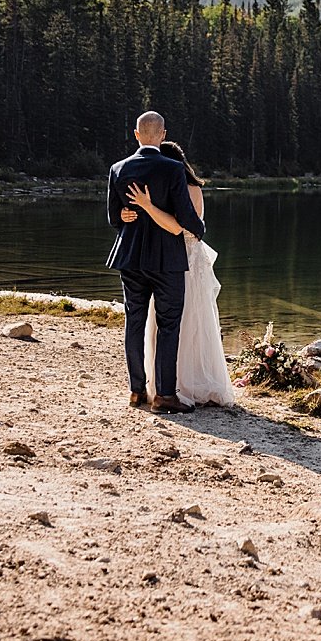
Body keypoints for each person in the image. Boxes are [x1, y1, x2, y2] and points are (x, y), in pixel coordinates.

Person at [121, 140, 237, 407]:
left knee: (182, 321)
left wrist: (147, 208)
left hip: (180, 258)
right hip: (169, 261)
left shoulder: (179, 189)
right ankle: (167, 386)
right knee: (178, 323)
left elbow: (185, 227)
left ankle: (160, 385)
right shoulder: (169, 189)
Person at [104, 111, 205, 414]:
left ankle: (136, 391)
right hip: (166, 260)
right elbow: (186, 216)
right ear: (162, 135)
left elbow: (113, 217)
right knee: (168, 325)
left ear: (136, 135)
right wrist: (199, 231)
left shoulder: (118, 168)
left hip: (131, 258)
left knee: (134, 322)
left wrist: (124, 216)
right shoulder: (173, 169)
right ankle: (164, 396)